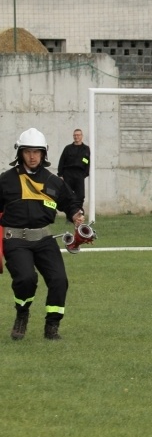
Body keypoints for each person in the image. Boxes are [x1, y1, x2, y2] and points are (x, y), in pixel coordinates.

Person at [1, 128, 85, 341]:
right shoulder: (5, 180)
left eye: (37, 152)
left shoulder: (52, 180)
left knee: (59, 280)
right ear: (20, 153)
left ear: (44, 154)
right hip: (15, 240)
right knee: (26, 278)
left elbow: (70, 201)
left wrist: (76, 214)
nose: (32, 156)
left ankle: (52, 326)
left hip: (44, 239)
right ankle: (22, 312)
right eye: (27, 151)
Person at [57, 128, 91, 210]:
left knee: (80, 195)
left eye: (78, 135)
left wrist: (85, 174)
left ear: (82, 136)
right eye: (75, 135)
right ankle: (70, 215)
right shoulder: (68, 148)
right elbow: (62, 161)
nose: (76, 137)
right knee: (68, 195)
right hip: (68, 174)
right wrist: (60, 174)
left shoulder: (86, 149)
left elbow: (87, 162)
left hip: (79, 174)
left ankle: (79, 213)